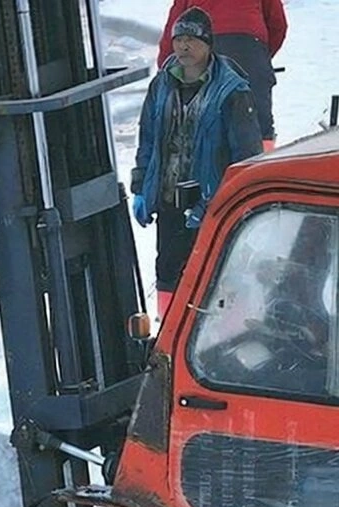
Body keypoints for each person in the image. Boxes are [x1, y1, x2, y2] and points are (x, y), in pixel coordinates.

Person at [132, 7, 263, 318]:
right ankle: (168, 328)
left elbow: (246, 158)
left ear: (208, 44)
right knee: (167, 270)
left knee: (212, 275)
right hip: (169, 200)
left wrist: (216, 204)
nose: (184, 46)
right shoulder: (161, 85)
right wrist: (141, 187)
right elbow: (148, 138)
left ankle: (216, 329)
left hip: (212, 207)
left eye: (191, 39)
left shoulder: (232, 92)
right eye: (179, 39)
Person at [158, 0, 288, 151]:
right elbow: (278, 23)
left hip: (203, 48)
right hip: (249, 46)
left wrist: (165, 67)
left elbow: (174, 26)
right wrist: (261, 60)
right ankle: (262, 159)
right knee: (259, 124)